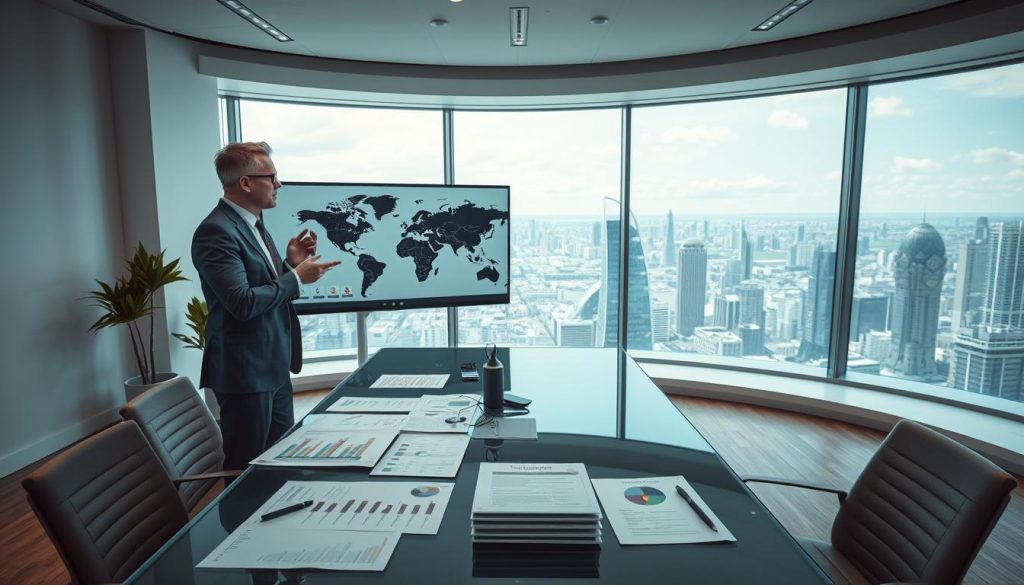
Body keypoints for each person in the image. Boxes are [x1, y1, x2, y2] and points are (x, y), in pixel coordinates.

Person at [192, 141, 340, 470]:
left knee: (279, 462)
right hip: (245, 373)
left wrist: (289, 266)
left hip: (273, 365)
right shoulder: (215, 232)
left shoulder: (254, 224)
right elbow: (242, 303)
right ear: (245, 183)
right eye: (271, 176)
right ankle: (235, 524)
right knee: (247, 469)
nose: (279, 184)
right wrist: (297, 278)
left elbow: (264, 287)